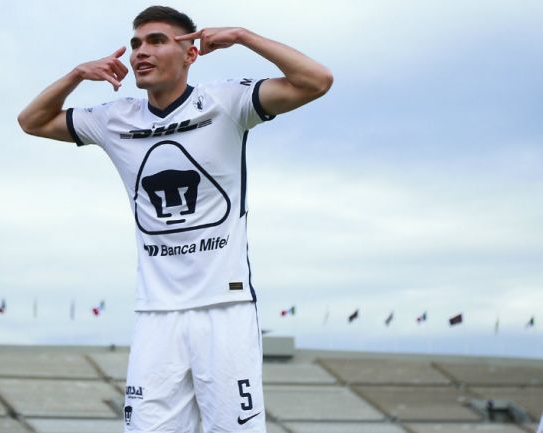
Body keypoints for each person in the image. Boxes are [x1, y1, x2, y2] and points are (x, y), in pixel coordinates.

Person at [18, 6, 332, 432]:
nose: (140, 52)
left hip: (224, 308)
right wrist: (76, 75)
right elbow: (31, 121)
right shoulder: (114, 119)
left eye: (157, 41)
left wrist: (243, 36)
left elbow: (317, 80)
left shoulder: (226, 102)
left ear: (190, 54)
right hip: (156, 313)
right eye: (135, 44)